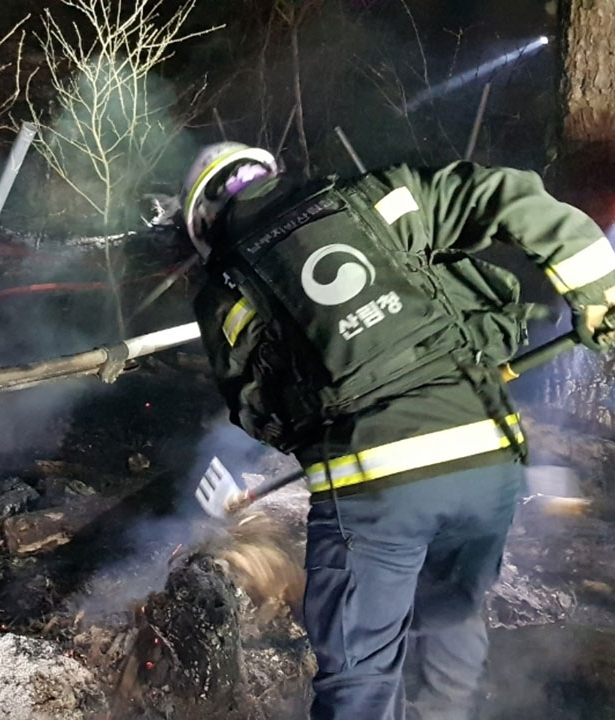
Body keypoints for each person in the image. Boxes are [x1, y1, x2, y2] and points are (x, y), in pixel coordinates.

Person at [183, 142, 615, 720]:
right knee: (449, 613)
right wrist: (595, 293)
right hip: (487, 454)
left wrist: (315, 427)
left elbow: (259, 409)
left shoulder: (228, 288)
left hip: (376, 488)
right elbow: (506, 194)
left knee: (360, 671)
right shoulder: (376, 198)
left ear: (207, 220)